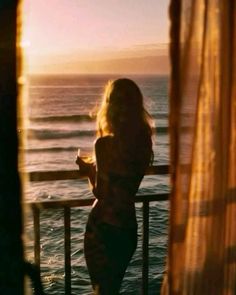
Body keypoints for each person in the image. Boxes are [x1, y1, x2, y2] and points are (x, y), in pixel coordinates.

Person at [76, 78, 153, 294]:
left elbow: (101, 193)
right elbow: (125, 183)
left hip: (102, 230)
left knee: (100, 290)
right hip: (127, 229)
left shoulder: (103, 144)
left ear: (110, 106)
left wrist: (89, 173)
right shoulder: (143, 143)